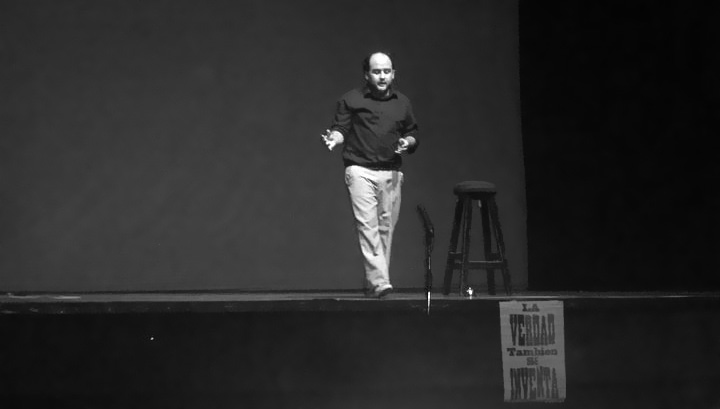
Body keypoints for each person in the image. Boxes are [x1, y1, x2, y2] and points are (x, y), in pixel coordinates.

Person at [321, 51, 420, 298]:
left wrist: (407, 142)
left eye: (386, 71)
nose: (382, 76)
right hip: (360, 170)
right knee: (368, 226)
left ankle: (374, 283)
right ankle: (380, 282)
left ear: (393, 74)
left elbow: (412, 132)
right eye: (377, 72)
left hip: (391, 172)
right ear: (367, 75)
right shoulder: (351, 99)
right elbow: (341, 128)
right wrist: (334, 138)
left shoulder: (402, 102)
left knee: (386, 229)